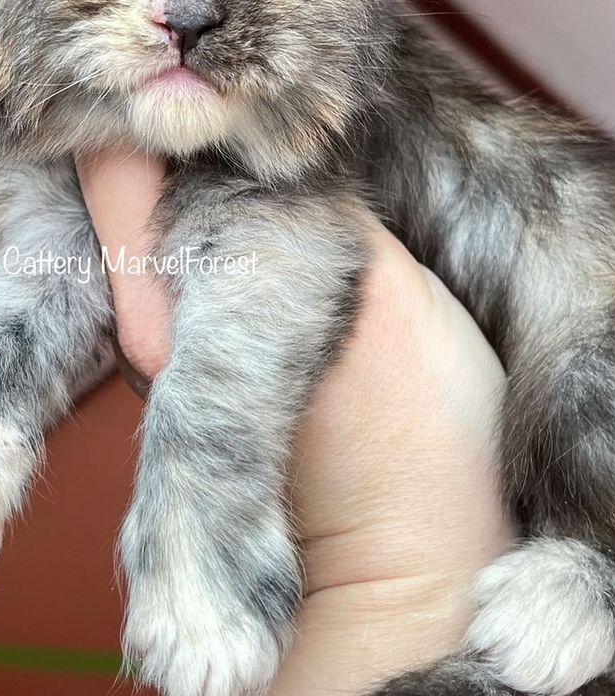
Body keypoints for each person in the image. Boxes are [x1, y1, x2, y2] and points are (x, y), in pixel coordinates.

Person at [77, 147, 516, 695]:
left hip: (397, 596)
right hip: (478, 580)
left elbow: (149, 337)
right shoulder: (355, 200)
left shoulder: (165, 169)